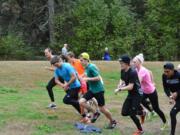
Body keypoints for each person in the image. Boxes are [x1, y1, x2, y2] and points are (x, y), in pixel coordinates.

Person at [79, 52, 117, 129]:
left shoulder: (91, 67)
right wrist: (79, 77)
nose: (81, 62)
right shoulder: (86, 67)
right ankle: (95, 112)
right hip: (92, 90)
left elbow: (98, 78)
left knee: (102, 109)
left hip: (99, 90)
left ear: (86, 60)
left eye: (82, 60)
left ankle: (112, 121)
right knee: (81, 101)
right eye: (80, 60)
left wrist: (87, 79)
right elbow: (85, 74)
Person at [133, 53, 167, 130]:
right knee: (139, 100)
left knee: (157, 108)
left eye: (134, 62)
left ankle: (165, 122)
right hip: (144, 91)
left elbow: (138, 82)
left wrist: (152, 83)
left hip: (151, 91)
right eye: (133, 61)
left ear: (139, 62)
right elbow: (150, 72)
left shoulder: (142, 70)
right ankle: (151, 111)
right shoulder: (136, 69)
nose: (133, 63)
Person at [114, 55, 145, 135]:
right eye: (120, 62)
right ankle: (141, 112)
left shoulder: (133, 72)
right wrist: (120, 84)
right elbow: (122, 79)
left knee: (132, 114)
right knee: (124, 112)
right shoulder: (123, 70)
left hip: (137, 94)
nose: (120, 64)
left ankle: (140, 130)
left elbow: (131, 87)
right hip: (131, 94)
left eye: (122, 62)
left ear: (127, 63)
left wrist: (120, 89)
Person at [162, 63, 180, 135]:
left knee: (172, 113)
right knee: (173, 113)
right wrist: (170, 96)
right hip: (177, 98)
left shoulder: (178, 75)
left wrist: (177, 93)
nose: (166, 73)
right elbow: (165, 88)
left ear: (172, 70)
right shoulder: (164, 76)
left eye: (168, 71)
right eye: (165, 71)